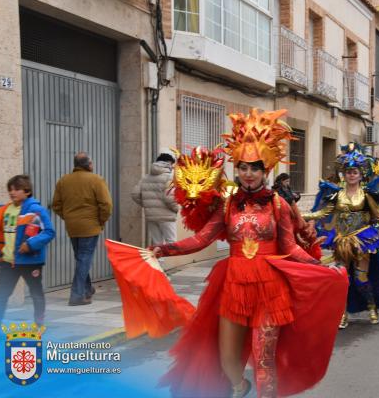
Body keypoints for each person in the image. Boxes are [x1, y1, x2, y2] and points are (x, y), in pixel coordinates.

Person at [148, 109, 347, 398]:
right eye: (243, 167)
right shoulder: (226, 205)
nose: (249, 173)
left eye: (255, 167)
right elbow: (202, 239)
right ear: (236, 169)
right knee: (228, 359)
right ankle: (240, 387)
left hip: (270, 287)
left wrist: (319, 266)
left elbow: (290, 246)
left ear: (265, 170)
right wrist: (164, 249)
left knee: (264, 357)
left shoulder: (278, 204)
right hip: (234, 286)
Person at [303, 143, 379, 329]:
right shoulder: (337, 196)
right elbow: (321, 214)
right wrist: (297, 214)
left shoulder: (367, 195)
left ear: (361, 175)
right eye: (348, 171)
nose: (351, 175)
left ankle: (372, 306)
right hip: (342, 240)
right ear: (344, 174)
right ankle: (342, 313)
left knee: (361, 280)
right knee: (342, 279)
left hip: (363, 241)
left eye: (355, 172)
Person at [0, 175, 55, 331]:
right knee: (1, 297)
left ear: (27, 191)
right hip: (8, 262)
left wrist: (30, 244)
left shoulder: (35, 210)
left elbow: (49, 232)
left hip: (30, 261)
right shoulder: (3, 210)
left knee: (36, 294)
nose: (12, 192)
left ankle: (39, 325)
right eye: (10, 189)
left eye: (16, 189)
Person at [52, 152, 113, 305]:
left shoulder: (63, 181)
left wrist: (68, 217)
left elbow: (56, 205)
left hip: (72, 227)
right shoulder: (96, 180)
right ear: (88, 165)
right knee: (84, 259)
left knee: (81, 258)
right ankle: (77, 295)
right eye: (91, 163)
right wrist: (101, 221)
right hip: (90, 226)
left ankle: (87, 289)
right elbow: (106, 205)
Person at [131, 152, 179, 245]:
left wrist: (147, 205)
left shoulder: (145, 178)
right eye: (172, 164)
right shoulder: (169, 177)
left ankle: (159, 260)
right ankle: (166, 260)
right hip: (167, 216)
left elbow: (135, 194)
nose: (173, 167)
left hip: (151, 217)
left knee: (157, 244)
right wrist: (176, 209)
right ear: (168, 163)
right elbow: (169, 198)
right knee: (171, 244)